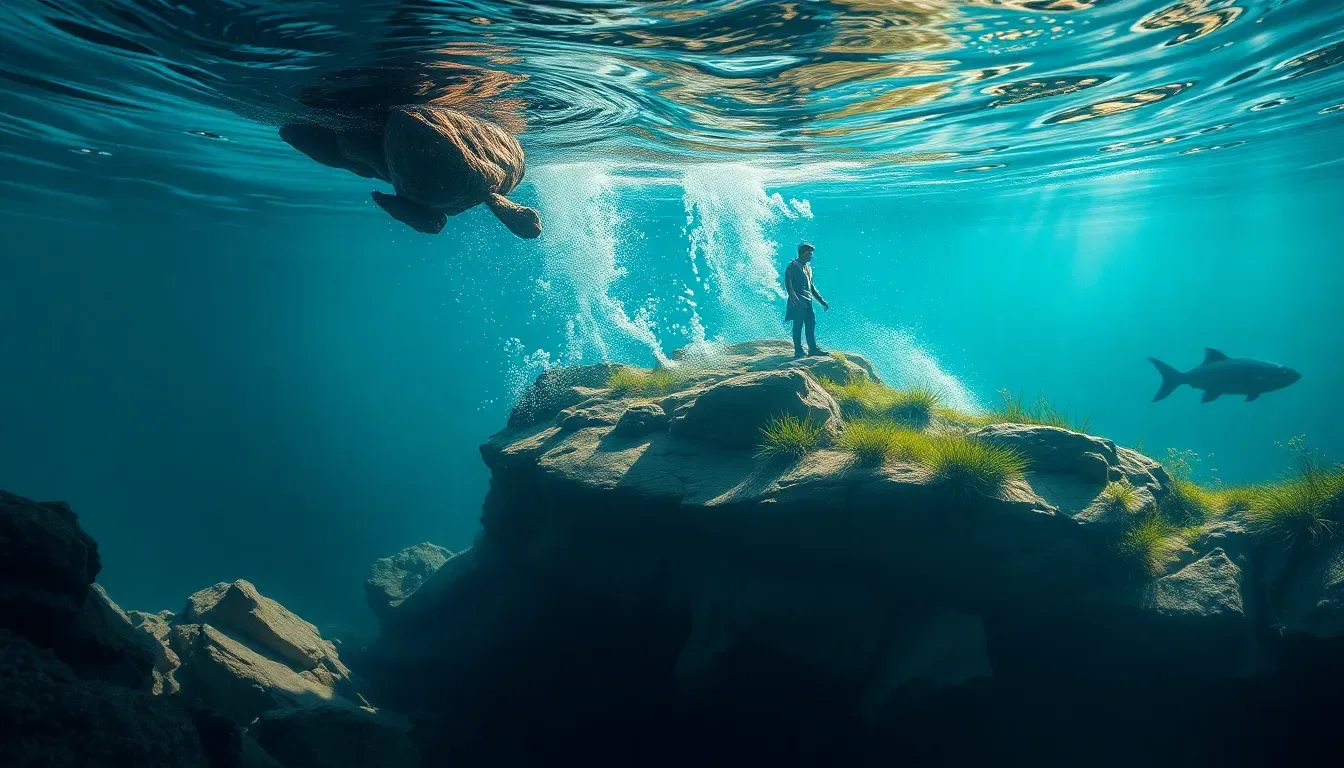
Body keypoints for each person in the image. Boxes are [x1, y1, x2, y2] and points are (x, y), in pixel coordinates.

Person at [784, 242, 830, 359]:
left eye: (811, 254)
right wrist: (794, 298)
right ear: (802, 253)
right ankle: (798, 351)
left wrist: (822, 301)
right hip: (797, 301)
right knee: (798, 326)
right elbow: (788, 285)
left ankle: (812, 349)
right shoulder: (792, 266)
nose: (810, 256)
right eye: (809, 253)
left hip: (807, 302)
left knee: (810, 325)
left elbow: (812, 288)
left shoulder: (808, 268)